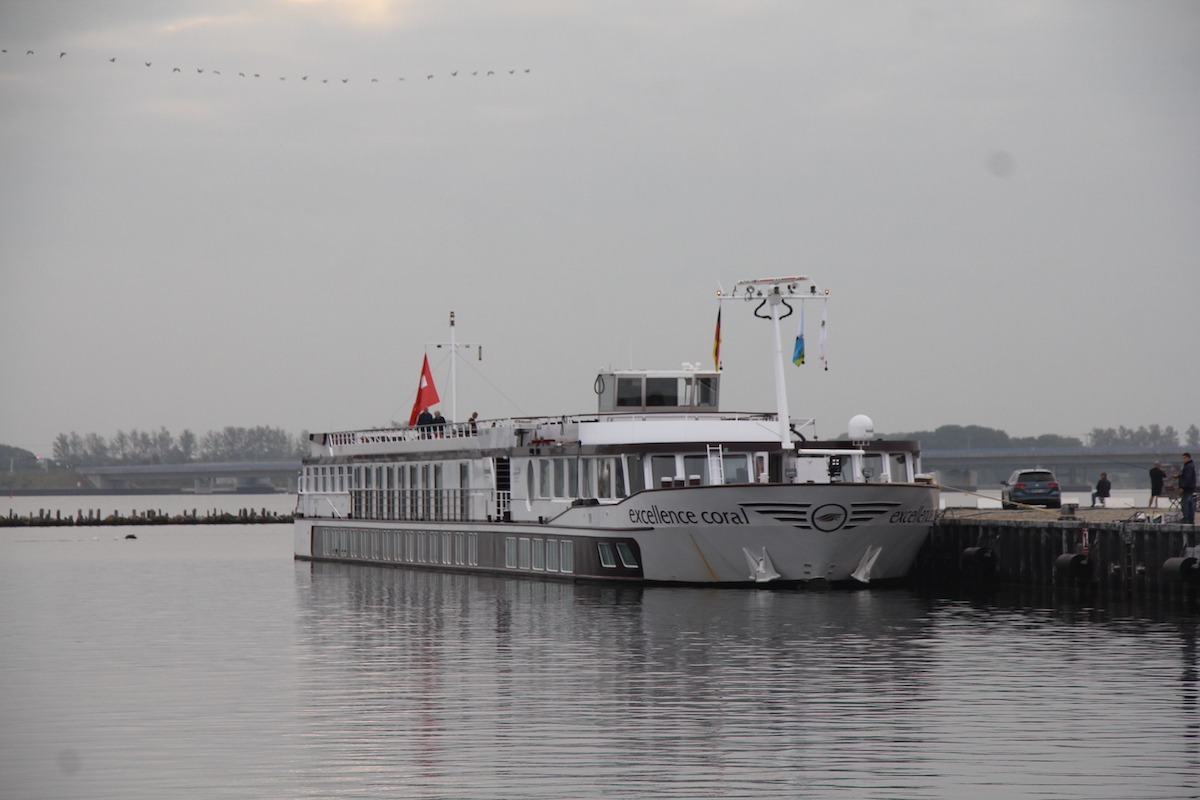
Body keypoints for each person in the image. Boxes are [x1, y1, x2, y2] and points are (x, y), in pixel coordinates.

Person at [1181, 453, 1197, 525]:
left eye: (1184, 458)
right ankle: (1191, 519)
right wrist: (1179, 476)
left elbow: (1188, 477)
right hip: (1190, 487)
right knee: (1190, 503)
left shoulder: (1188, 466)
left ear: (1188, 458)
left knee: (1185, 503)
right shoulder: (1191, 466)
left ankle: (1186, 518)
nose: (1183, 460)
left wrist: (1182, 487)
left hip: (1187, 488)